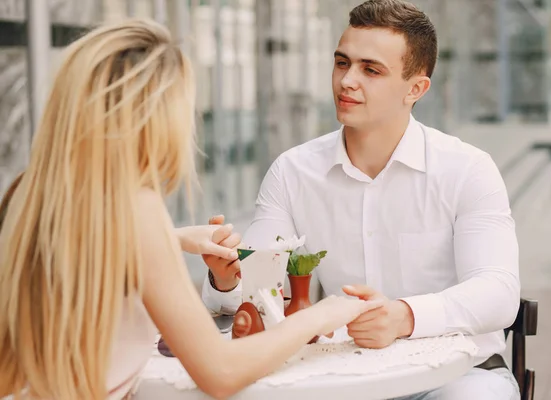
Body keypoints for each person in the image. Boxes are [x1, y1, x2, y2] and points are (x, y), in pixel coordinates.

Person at [0, 18, 383, 400]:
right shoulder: (139, 210)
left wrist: (176, 238)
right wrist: (321, 314)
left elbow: (85, 252)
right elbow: (221, 371)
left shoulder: (27, 193)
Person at [201, 0, 521, 399]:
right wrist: (228, 279)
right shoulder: (292, 171)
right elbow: (260, 291)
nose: (347, 80)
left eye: (371, 70)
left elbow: (498, 292)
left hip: (457, 377)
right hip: (341, 377)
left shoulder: (467, 169)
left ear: (416, 88)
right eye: (341, 63)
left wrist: (404, 316)